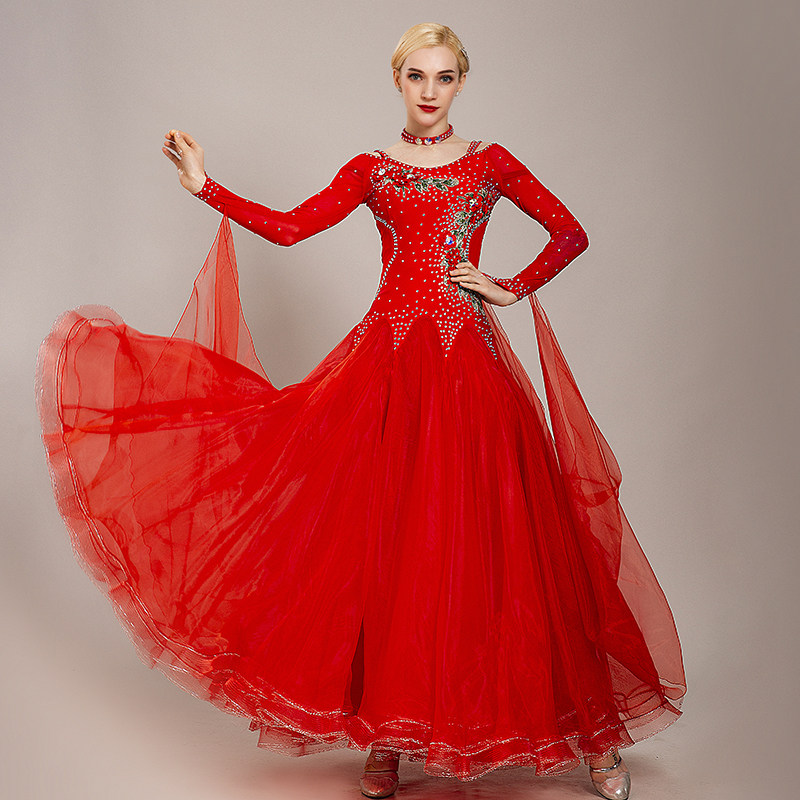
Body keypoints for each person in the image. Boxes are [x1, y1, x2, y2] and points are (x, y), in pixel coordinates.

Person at [36, 21, 686, 800]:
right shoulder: (372, 170)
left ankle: (596, 744)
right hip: (385, 374)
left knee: (508, 548)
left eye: (444, 77)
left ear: (461, 83)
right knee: (386, 549)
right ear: (397, 80)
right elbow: (291, 228)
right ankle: (388, 737)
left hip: (470, 372)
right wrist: (206, 186)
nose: (429, 91)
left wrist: (510, 285)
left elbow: (570, 233)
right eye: (416, 75)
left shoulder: (491, 164)